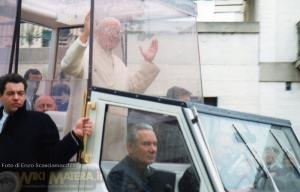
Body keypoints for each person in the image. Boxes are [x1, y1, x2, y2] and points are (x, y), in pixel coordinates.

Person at [0, 73, 93, 191]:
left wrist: (75, 135)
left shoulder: (41, 122)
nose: (16, 97)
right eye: (10, 93)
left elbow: (52, 159)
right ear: (0, 96)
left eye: (20, 93)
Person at [61, 13, 160, 92]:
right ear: (98, 32)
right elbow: (68, 66)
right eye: (111, 31)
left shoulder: (119, 63)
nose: (115, 36)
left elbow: (133, 88)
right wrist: (85, 34)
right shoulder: (86, 55)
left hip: (117, 117)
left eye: (118, 32)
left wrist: (148, 62)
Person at [107, 123, 175, 192]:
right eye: (146, 144)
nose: (153, 150)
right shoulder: (118, 175)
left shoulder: (152, 172)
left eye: (155, 144)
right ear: (130, 147)